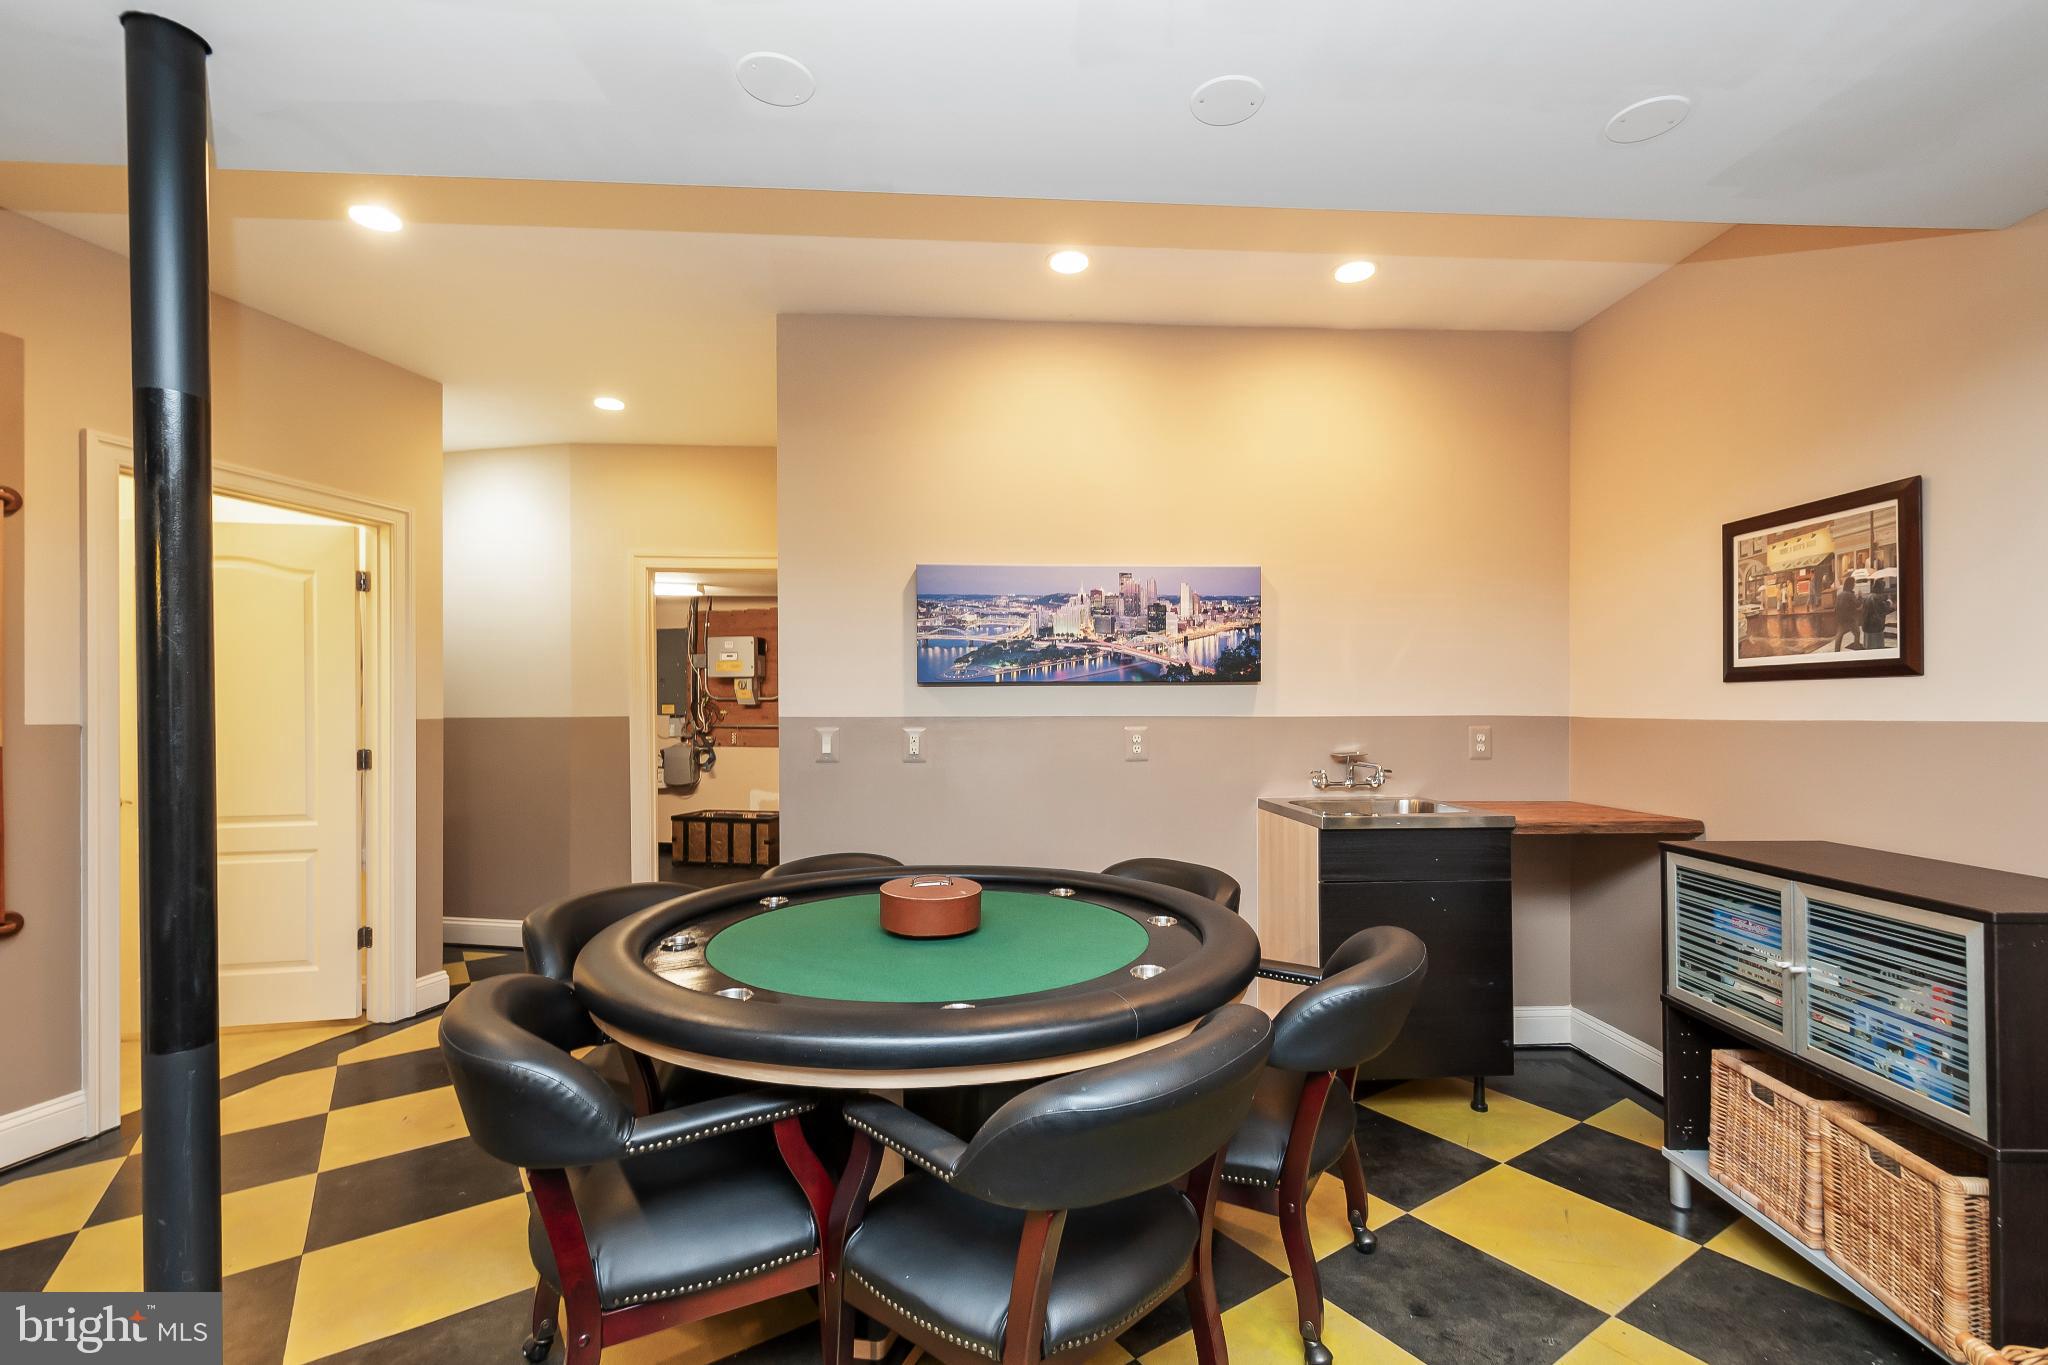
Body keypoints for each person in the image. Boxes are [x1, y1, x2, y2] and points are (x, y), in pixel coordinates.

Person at [1862, 579, 1893, 650]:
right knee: (1876, 647)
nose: (1883, 589)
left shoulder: (1868, 597)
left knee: (1868, 645)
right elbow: (1884, 608)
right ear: (1880, 588)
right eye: (1883, 587)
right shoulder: (1878, 598)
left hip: (1867, 625)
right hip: (1875, 626)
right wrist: (1889, 602)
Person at [1833, 577, 1862, 651]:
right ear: (1851, 585)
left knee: (1839, 635)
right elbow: (1857, 604)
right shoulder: (1850, 594)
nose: (1854, 585)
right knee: (1857, 632)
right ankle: (1856, 646)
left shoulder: (1840, 595)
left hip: (1841, 618)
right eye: (1853, 583)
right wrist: (1860, 596)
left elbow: (1835, 607)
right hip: (1849, 618)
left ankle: (1836, 650)